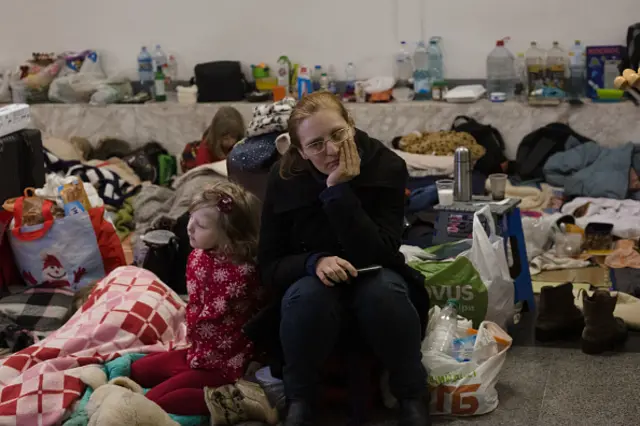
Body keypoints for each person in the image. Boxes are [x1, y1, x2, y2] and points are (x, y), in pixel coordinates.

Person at [256, 92, 431, 426]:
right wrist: (314, 262)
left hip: (376, 271)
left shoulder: (386, 165)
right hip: (312, 280)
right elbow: (269, 265)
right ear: (300, 151)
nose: (332, 151)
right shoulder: (284, 178)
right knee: (307, 297)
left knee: (384, 294)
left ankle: (412, 394)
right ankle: (300, 401)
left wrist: (337, 191)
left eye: (338, 135)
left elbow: (383, 251)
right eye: (317, 145)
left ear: (351, 124)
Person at [130, 180, 262, 416]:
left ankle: (237, 401)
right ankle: (189, 378)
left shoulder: (244, 271)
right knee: (138, 370)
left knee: (154, 401)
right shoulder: (198, 256)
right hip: (197, 351)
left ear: (228, 234)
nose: (189, 227)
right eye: (191, 218)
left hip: (226, 364)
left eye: (200, 225)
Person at [182, 106, 246, 172]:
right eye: (225, 138)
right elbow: (201, 171)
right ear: (217, 136)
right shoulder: (207, 147)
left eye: (233, 137)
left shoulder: (240, 144)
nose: (230, 142)